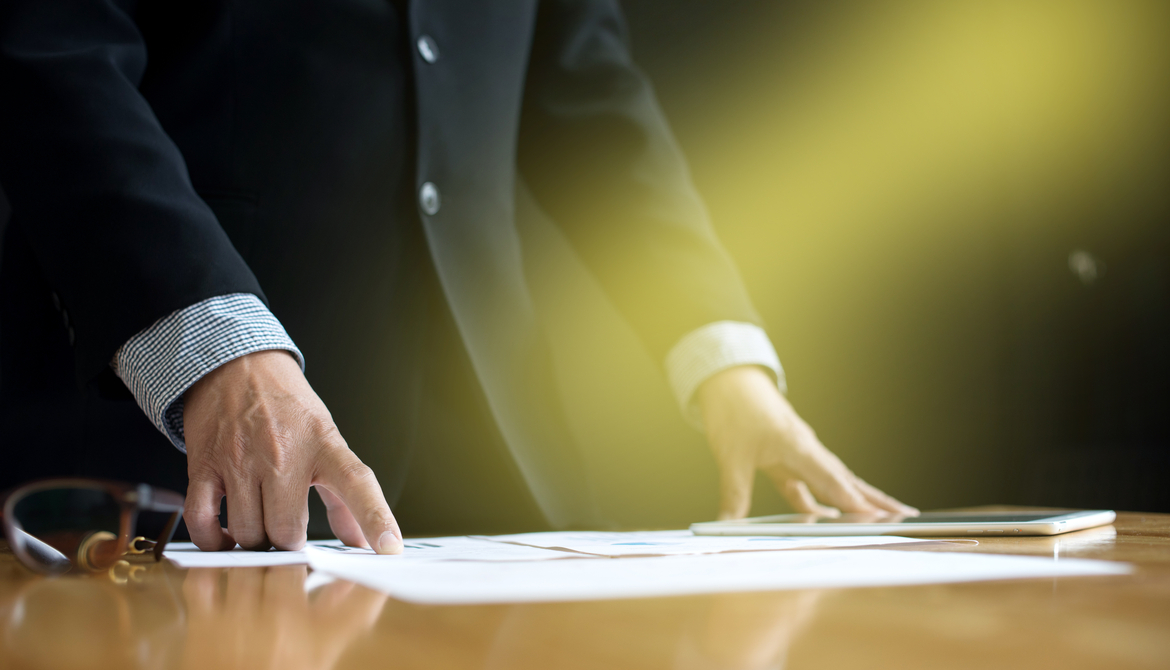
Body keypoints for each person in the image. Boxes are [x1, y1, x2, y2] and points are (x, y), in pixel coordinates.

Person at [0, 0, 914, 554]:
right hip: (171, 478)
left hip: (494, 478)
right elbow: (52, 47)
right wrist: (210, 344)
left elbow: (590, 96)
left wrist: (726, 365)